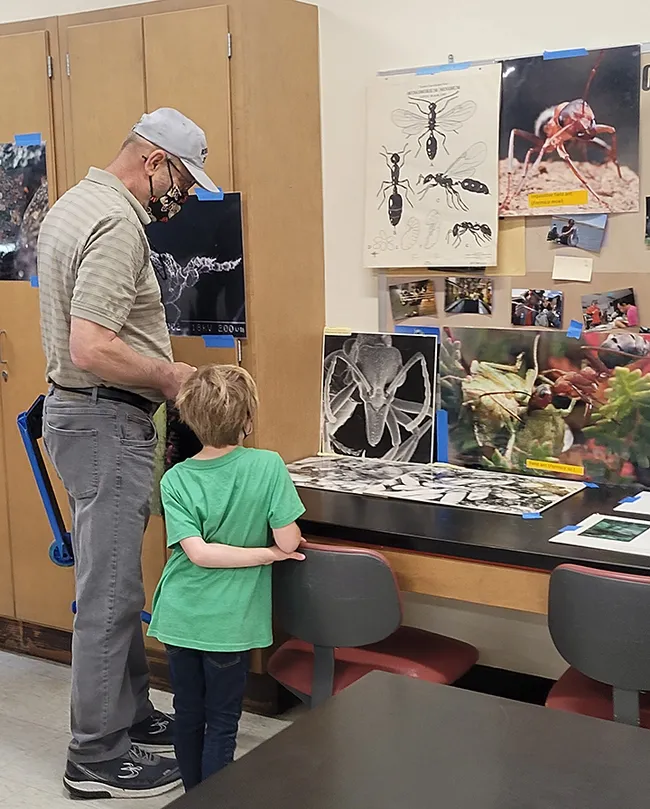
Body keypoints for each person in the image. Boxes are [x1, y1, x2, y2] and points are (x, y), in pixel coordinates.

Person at [38, 108, 222, 800]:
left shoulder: (72, 205)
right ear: (154, 162)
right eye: (180, 178)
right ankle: (95, 754)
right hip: (104, 418)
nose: (180, 195)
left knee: (116, 581)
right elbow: (92, 346)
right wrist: (173, 376)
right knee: (110, 594)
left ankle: (132, 716)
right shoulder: (118, 222)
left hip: (84, 416)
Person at [147, 365, 306, 791]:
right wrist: (270, 553)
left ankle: (191, 794)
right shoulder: (268, 465)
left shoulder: (176, 478)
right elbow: (289, 541)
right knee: (221, 720)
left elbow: (196, 552)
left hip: (180, 616)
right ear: (248, 421)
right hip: (228, 623)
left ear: (192, 420)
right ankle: (212, 800)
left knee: (188, 711)